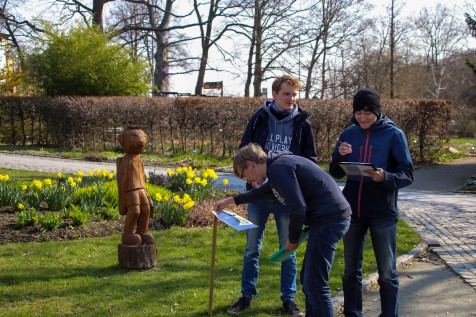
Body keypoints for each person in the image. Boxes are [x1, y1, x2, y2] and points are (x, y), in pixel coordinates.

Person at [214, 143, 351, 317]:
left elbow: (298, 209)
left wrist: (292, 240)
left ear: (250, 164)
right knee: (308, 281)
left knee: (316, 283)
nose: (247, 181)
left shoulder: (279, 168)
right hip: (326, 219)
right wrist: (230, 201)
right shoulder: (277, 167)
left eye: (244, 176)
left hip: (330, 219)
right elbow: (261, 193)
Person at [228, 75, 317, 316]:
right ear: (275, 94)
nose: (291, 99)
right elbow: (243, 153)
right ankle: (246, 296)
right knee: (251, 249)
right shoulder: (258, 118)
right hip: (258, 193)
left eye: (295, 94)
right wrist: (250, 178)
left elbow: (311, 160)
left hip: (287, 196)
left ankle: (288, 299)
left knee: (287, 248)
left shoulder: (303, 123)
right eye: (287, 94)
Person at [328, 88, 414, 317]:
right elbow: (335, 172)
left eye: (368, 112)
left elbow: (407, 174)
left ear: (377, 112)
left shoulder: (394, 135)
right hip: (352, 210)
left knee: (387, 271)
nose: (363, 117)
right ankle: (352, 314)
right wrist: (339, 156)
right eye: (358, 112)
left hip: (382, 211)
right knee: (350, 271)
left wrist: (385, 177)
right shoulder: (349, 133)